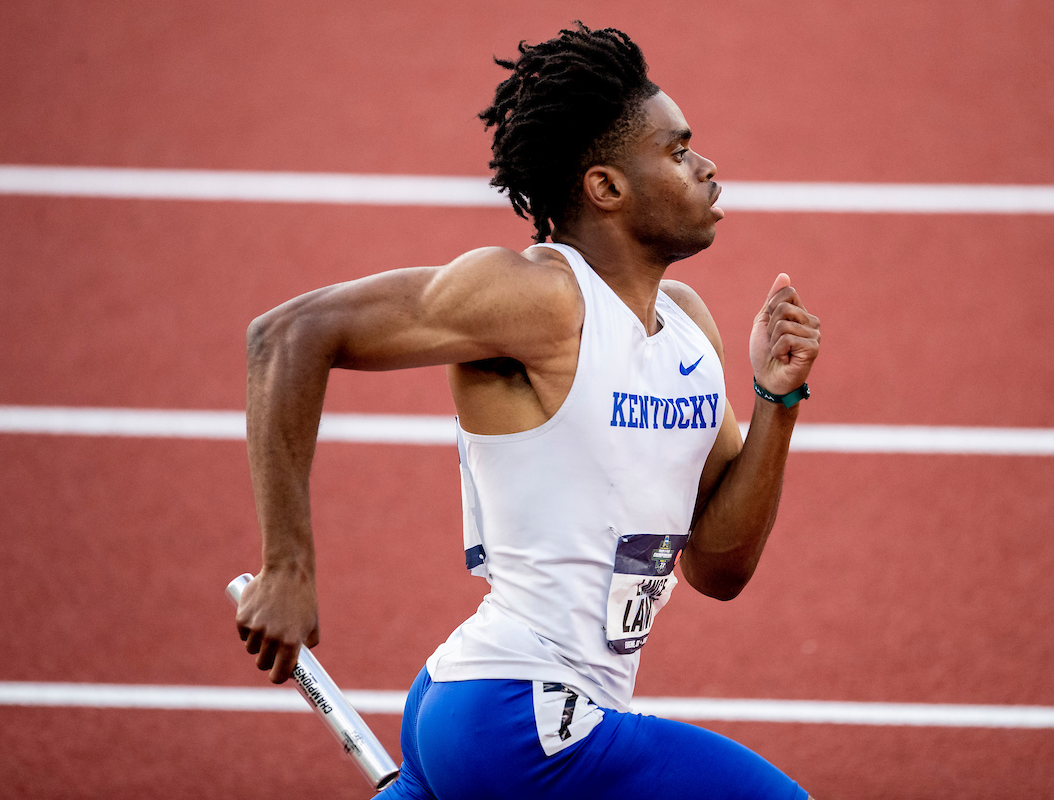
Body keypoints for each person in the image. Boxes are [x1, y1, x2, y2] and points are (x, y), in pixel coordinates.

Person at [236, 22, 820, 800]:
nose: (708, 168)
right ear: (606, 187)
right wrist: (288, 564)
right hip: (524, 714)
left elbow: (718, 566)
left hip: (488, 707)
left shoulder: (687, 326)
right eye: (678, 153)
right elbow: (287, 334)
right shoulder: (543, 298)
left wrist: (776, 402)